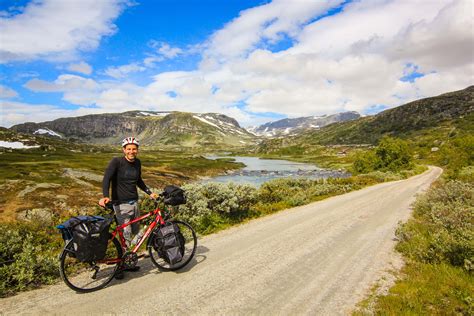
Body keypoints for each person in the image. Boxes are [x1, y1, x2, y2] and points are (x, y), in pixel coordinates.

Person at [99, 136, 158, 276]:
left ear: (137, 150)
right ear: (124, 150)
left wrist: (150, 193)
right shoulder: (116, 162)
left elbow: (139, 181)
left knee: (135, 233)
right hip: (121, 205)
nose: (132, 151)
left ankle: (129, 260)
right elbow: (106, 178)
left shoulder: (137, 163)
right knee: (125, 236)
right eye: (129, 149)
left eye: (134, 149)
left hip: (134, 203)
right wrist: (105, 195)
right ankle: (121, 266)